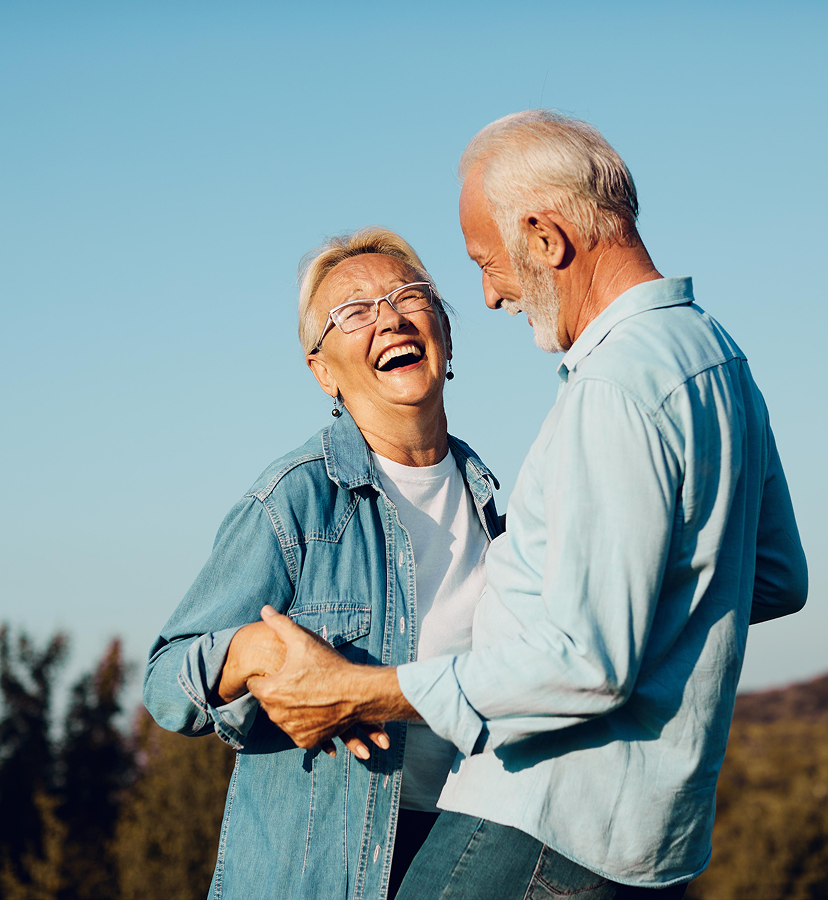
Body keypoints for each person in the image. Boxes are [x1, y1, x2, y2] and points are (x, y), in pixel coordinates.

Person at [249, 111, 809, 899]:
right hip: (655, 843)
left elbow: (586, 663)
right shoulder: (716, 355)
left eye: (489, 262)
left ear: (547, 239)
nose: (488, 296)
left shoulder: (614, 389)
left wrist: (361, 690)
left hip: (541, 824)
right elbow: (777, 577)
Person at [142, 227, 503, 900]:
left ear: (445, 334)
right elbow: (166, 681)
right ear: (323, 370)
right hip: (322, 875)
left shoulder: (495, 503)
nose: (390, 317)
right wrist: (252, 649)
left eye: (409, 296)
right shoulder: (296, 498)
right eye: (354, 311)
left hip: (463, 852)